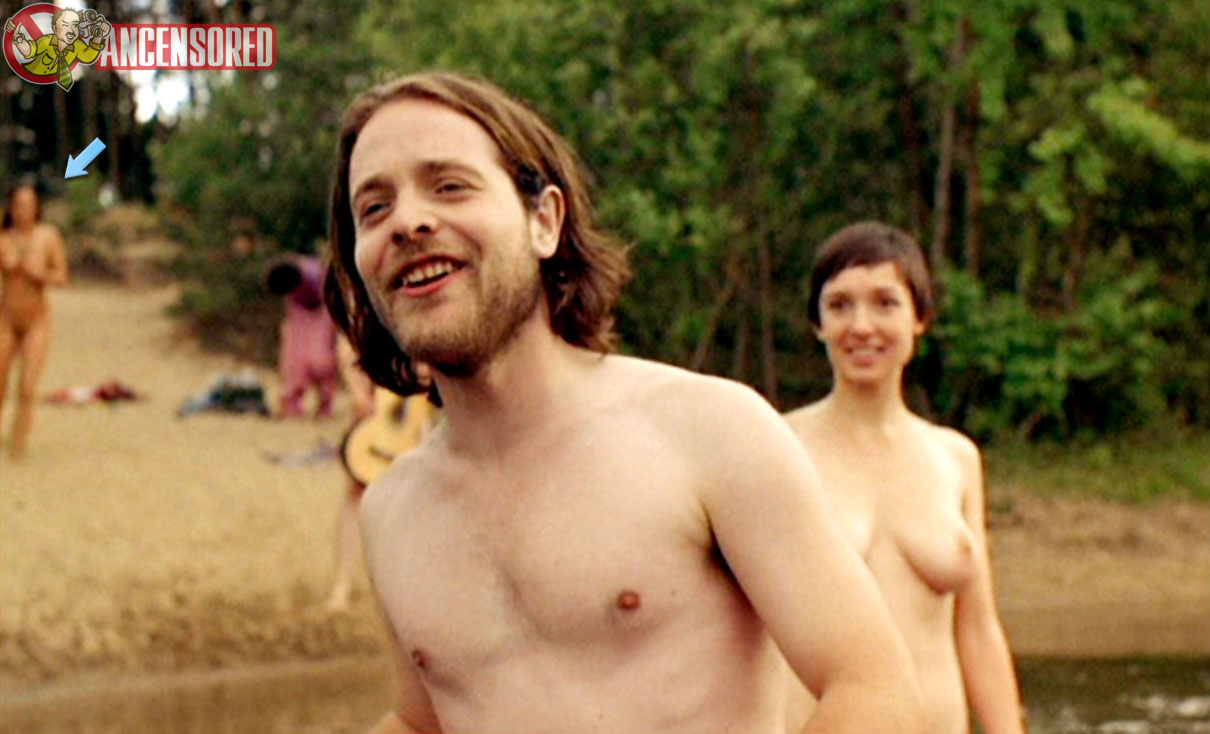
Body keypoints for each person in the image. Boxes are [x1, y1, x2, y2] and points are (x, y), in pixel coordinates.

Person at [325, 71, 923, 734]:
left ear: (544, 221)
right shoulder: (391, 510)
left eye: (449, 186)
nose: (407, 221)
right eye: (373, 209)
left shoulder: (710, 431)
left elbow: (875, 690)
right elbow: (423, 722)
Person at [783, 221, 1026, 734]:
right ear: (817, 323)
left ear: (920, 317)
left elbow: (978, 628)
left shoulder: (956, 459)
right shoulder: (778, 448)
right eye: (840, 305)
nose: (862, 326)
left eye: (885, 303)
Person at [1, 183, 69, 460]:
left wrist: (38, 273)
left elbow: (62, 276)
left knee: (27, 387)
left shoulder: (48, 236)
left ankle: (18, 444)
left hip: (36, 321)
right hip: (6, 318)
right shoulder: (4, 238)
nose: (23, 211)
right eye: (18, 205)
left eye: (28, 205)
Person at [266, 255, 339, 419]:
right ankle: (291, 404)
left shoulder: (315, 274)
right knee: (293, 359)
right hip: (299, 312)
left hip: (324, 309)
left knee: (321, 360)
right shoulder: (288, 278)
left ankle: (325, 405)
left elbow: (331, 300)